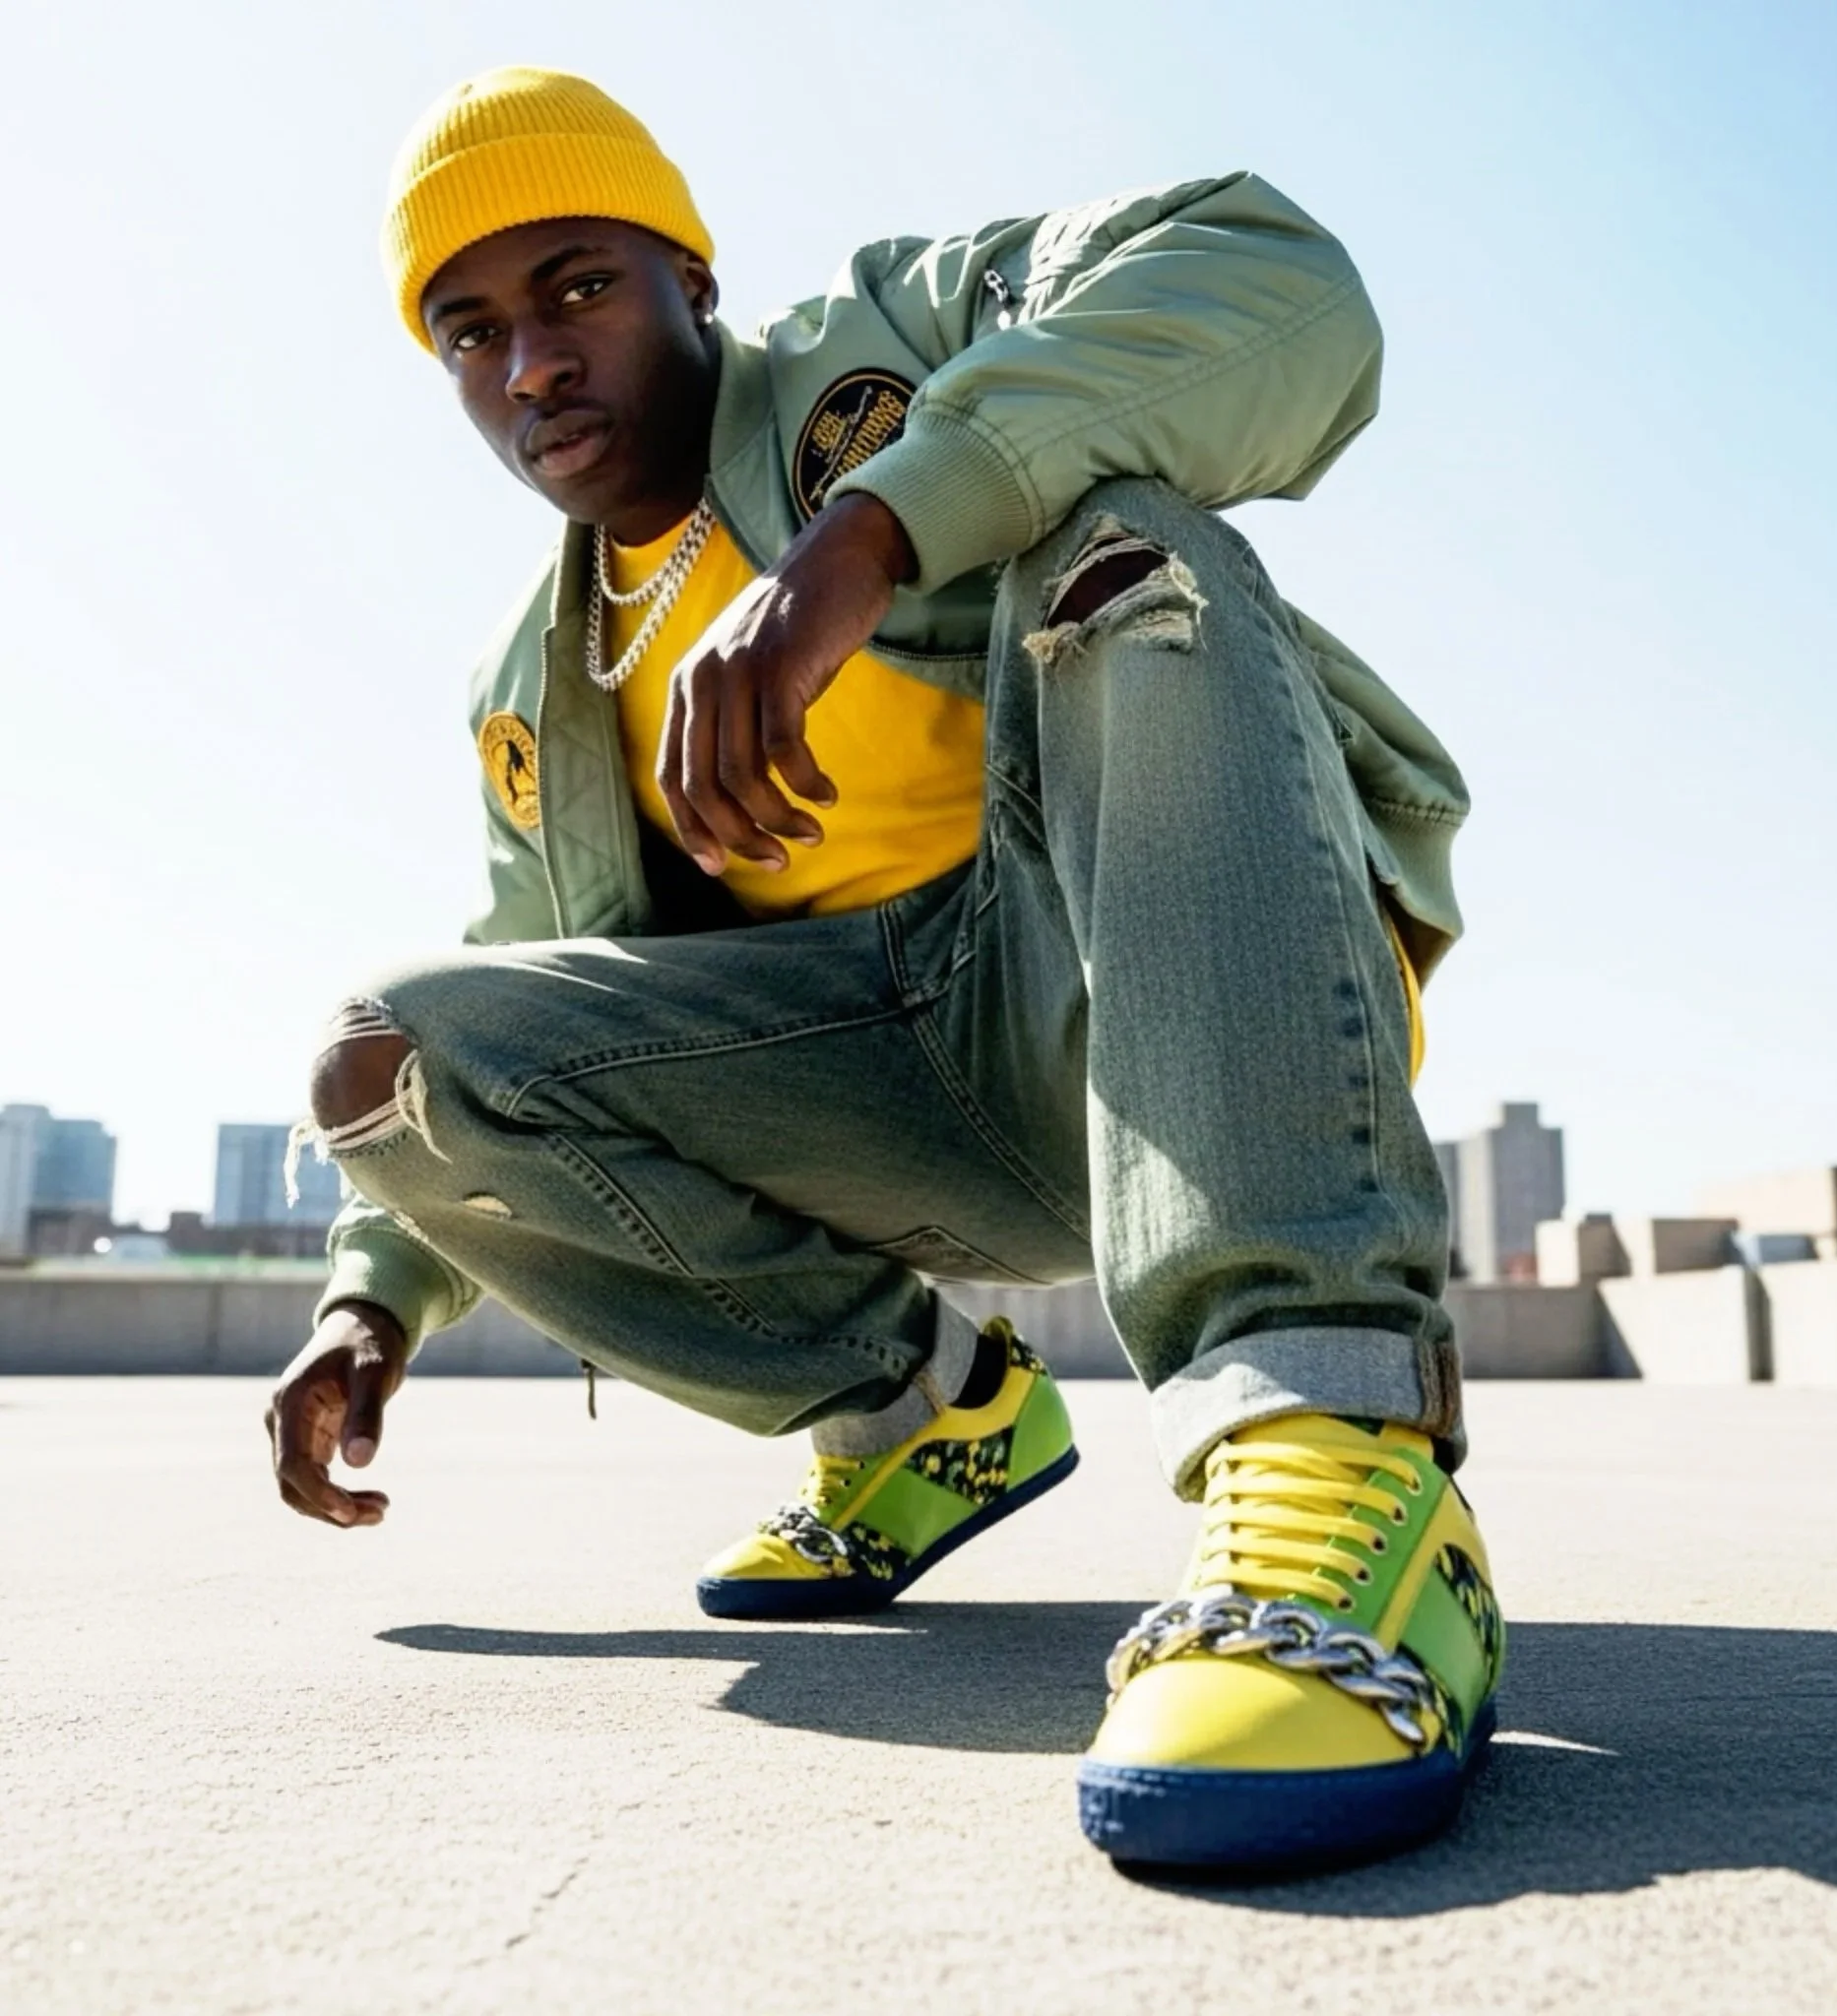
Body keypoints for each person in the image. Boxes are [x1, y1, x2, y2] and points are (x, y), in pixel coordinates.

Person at [266, 67, 1501, 1871]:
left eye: (578, 287)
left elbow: (1276, 276)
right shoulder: (536, 683)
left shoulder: (896, 337)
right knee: (390, 1059)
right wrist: (369, 1299)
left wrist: (873, 534)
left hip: (1154, 1002)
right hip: (892, 1093)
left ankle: (1336, 1437)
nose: (529, 364)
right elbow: (526, 972)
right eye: (469, 331)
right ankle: (929, 1414)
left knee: (1115, 543)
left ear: (691, 275)